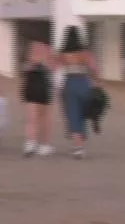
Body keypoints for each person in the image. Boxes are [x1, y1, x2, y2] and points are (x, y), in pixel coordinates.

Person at [56, 25, 98, 159]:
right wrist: (96, 81)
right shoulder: (85, 53)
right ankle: (80, 142)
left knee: (72, 114)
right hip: (84, 83)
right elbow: (94, 68)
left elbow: (55, 68)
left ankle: (78, 147)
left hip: (69, 83)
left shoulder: (62, 54)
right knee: (82, 113)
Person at [21, 40, 57, 157]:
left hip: (31, 88)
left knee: (31, 118)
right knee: (45, 118)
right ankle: (43, 146)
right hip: (44, 87)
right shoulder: (48, 53)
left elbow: (25, 71)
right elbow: (53, 69)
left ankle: (30, 144)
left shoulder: (30, 55)